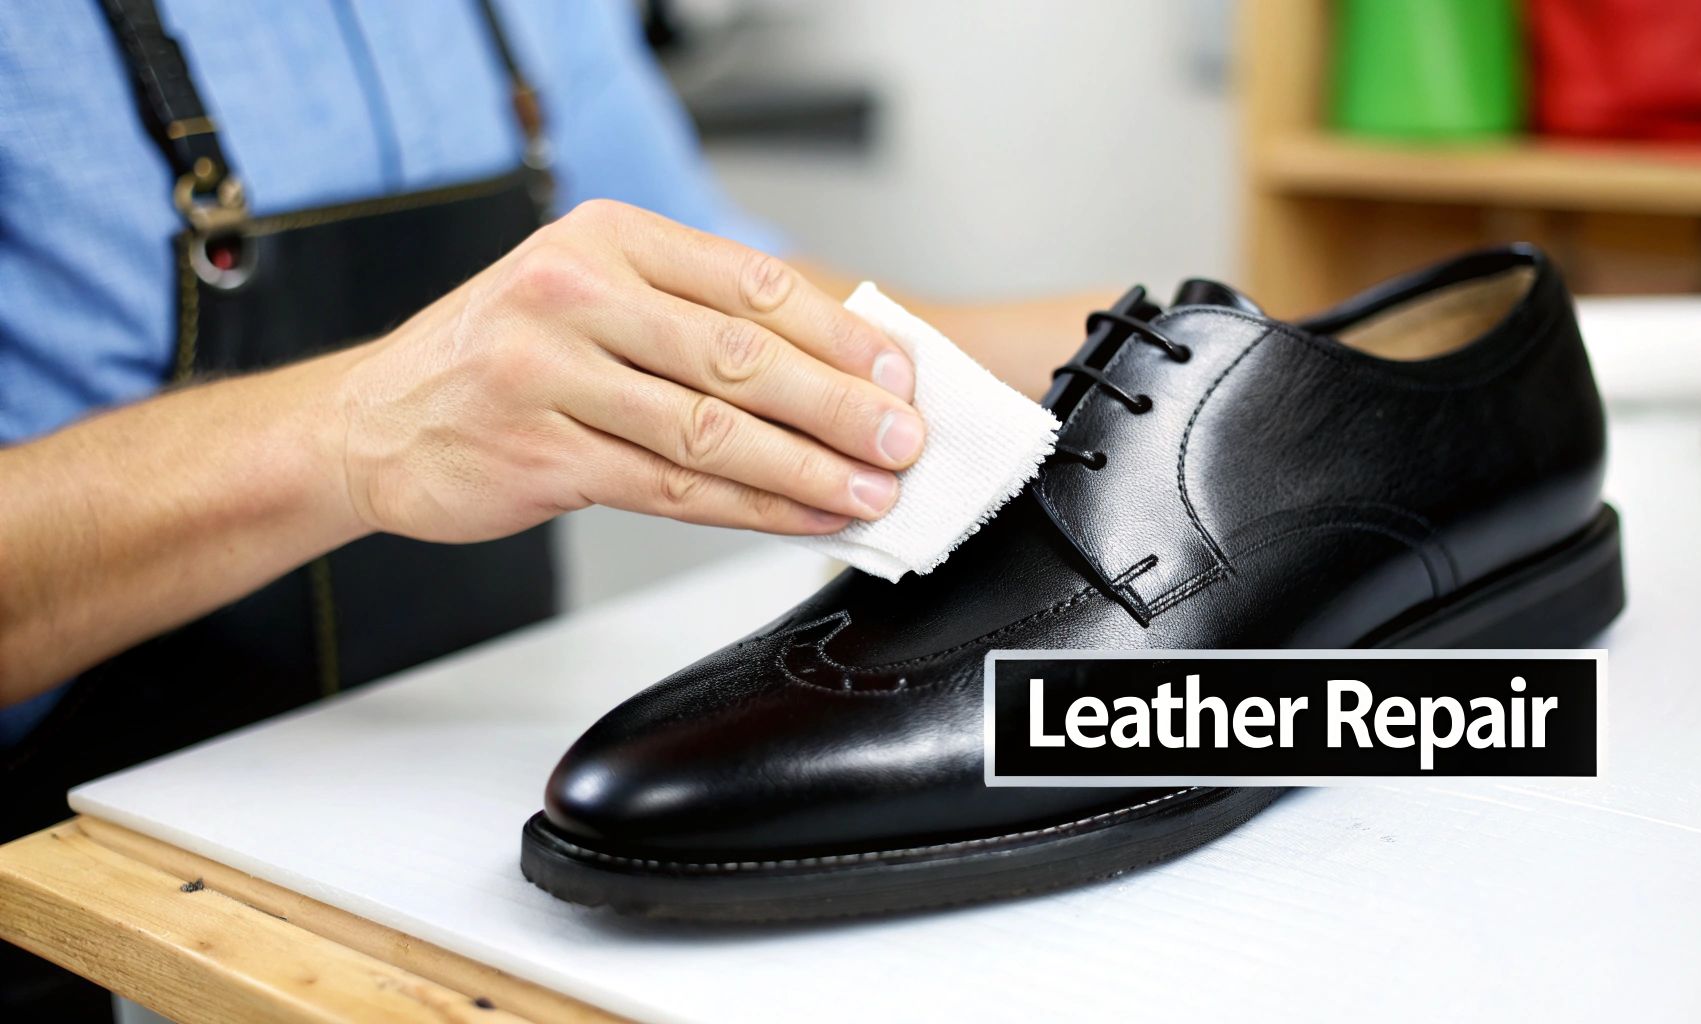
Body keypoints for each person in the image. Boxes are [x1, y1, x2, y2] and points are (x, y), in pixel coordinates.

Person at [0, 2, 1106, 1016]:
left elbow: (744, 300)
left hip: (462, 852)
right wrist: (347, 436)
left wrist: (1161, 337)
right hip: (82, 909)